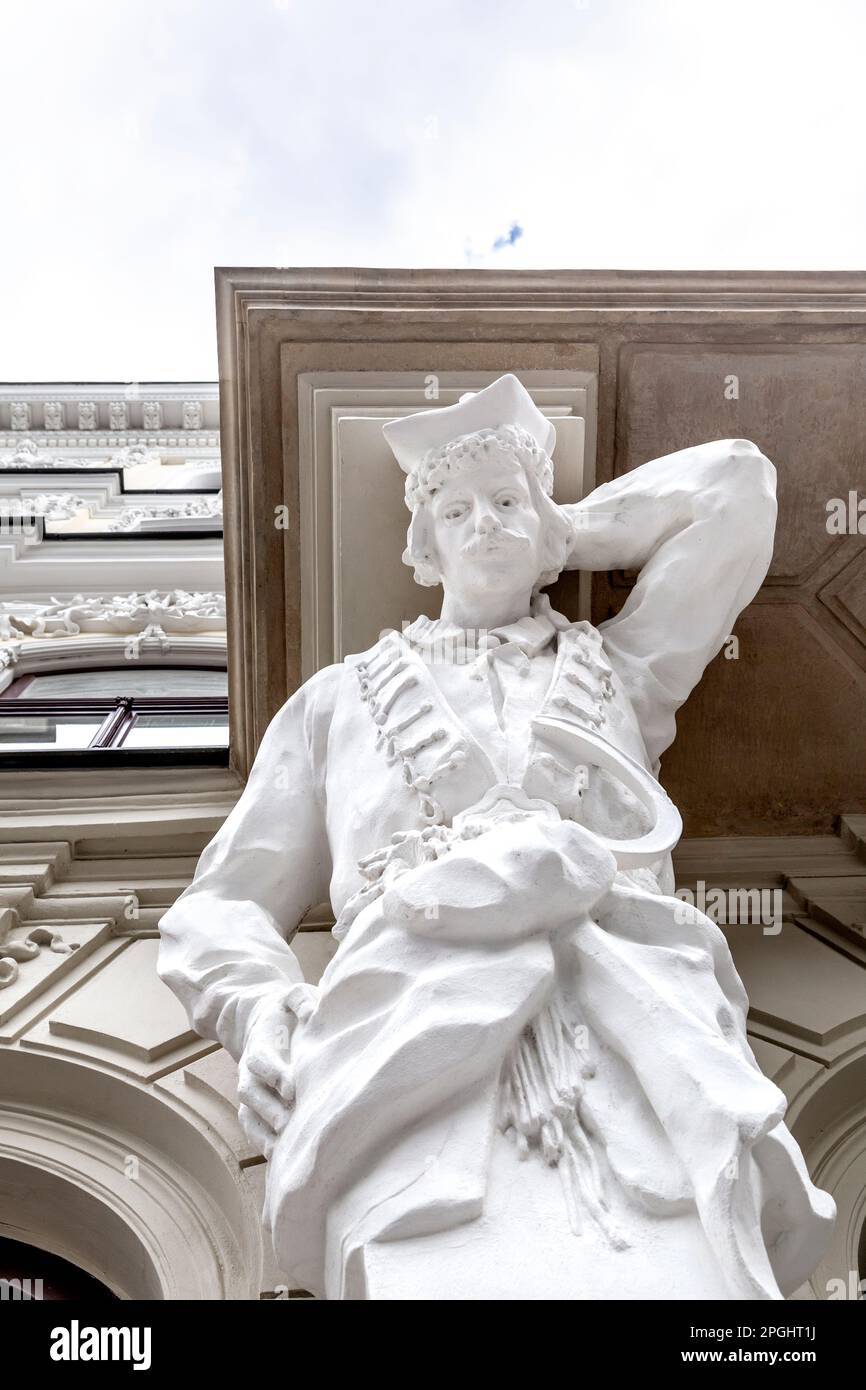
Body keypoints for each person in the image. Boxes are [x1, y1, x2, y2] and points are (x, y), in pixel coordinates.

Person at [158, 374, 834, 1300]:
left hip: (640, 1023)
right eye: (456, 510)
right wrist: (258, 1007)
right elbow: (223, 903)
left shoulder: (622, 671)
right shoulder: (336, 701)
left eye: (507, 503)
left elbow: (737, 485)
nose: (485, 524)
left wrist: (560, 527)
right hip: (401, 1033)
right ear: (421, 547)